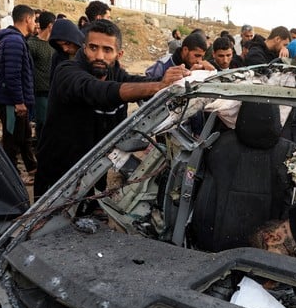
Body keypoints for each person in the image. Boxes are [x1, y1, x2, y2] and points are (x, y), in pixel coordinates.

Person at [34, 20, 188, 198]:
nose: (99, 56)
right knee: (47, 222)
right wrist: (158, 86)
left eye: (107, 50)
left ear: (119, 54)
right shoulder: (67, 72)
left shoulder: (116, 74)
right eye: (93, 47)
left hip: (94, 171)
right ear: (84, 48)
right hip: (60, 171)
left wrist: (183, 77)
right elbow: (99, 91)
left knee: (88, 218)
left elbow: (137, 83)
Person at [0, 5, 37, 180]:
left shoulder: (16, 40)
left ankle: (31, 167)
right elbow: (12, 76)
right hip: (11, 102)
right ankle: (10, 176)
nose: (35, 24)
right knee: (11, 139)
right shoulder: (14, 42)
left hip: (15, 100)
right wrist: (19, 102)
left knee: (24, 135)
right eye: (34, 20)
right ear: (27, 19)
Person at [28, 11, 57, 141]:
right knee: (43, 123)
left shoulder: (55, 44)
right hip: (40, 92)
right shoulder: (32, 44)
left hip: (53, 91)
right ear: (50, 25)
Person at [145, 32, 213, 78]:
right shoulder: (162, 66)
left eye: (202, 57)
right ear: (185, 50)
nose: (199, 60)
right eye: (197, 55)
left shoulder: (195, 65)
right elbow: (149, 92)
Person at [48, 18, 85, 83]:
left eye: (67, 43)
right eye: (60, 45)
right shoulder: (57, 57)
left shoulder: (89, 54)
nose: (65, 49)